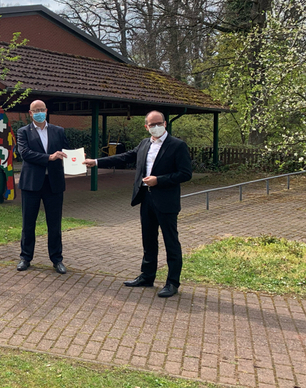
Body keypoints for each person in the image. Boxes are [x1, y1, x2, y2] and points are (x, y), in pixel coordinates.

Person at [83, 110, 192, 298]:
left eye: (159, 123)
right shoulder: (144, 144)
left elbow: (185, 173)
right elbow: (124, 157)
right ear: (146, 126)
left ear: (165, 124)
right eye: (152, 124)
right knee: (148, 240)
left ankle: (172, 282)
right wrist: (96, 161)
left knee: (171, 241)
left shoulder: (177, 145)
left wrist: (160, 180)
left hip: (166, 201)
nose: (156, 127)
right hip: (146, 199)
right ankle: (147, 276)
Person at [16, 100, 70, 274]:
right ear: (30, 113)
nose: (39, 112)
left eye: (42, 109)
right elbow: (25, 153)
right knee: (28, 223)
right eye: (35, 110)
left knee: (54, 224)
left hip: (53, 183)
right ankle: (25, 257)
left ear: (46, 111)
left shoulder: (58, 131)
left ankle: (57, 259)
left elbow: (67, 151)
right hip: (31, 184)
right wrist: (49, 157)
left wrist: (77, 156)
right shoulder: (23, 132)